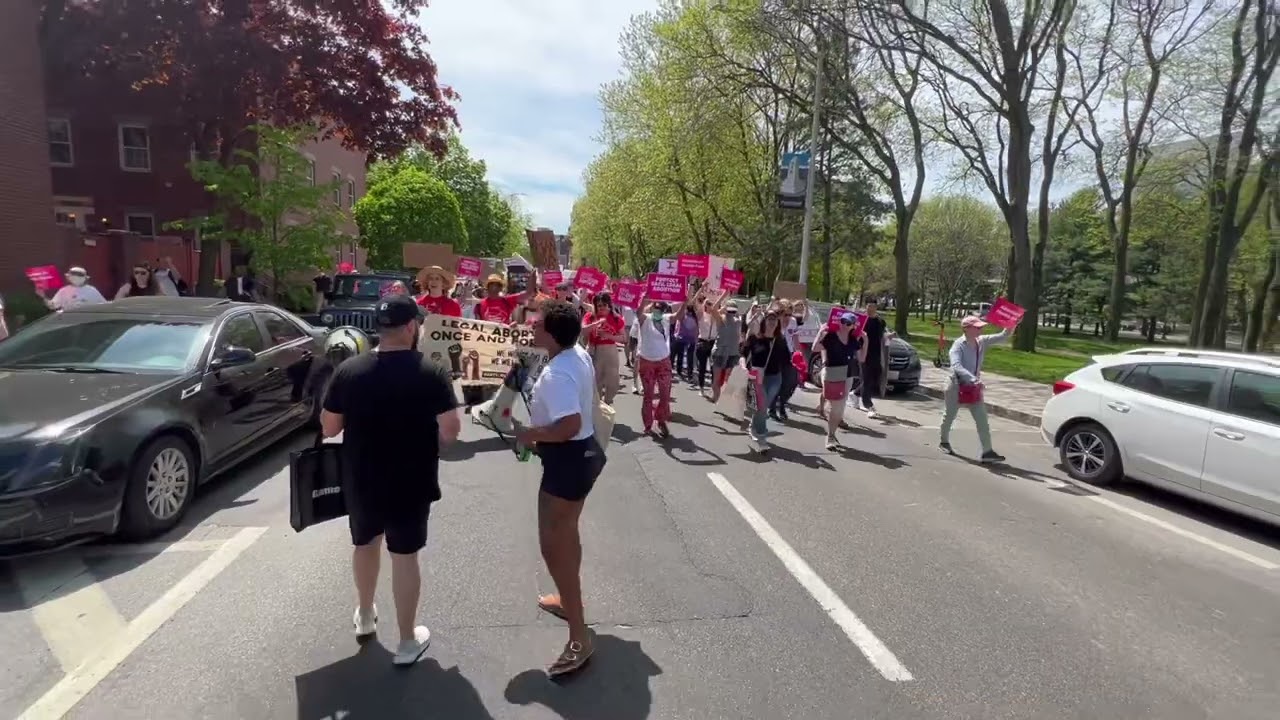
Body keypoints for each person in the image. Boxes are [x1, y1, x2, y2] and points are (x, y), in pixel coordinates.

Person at [319, 293, 462, 666]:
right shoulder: (432, 371)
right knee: (404, 555)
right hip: (411, 479)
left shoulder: (349, 371)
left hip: (362, 477)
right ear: (412, 327)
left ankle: (365, 614)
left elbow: (330, 427)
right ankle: (406, 641)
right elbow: (450, 431)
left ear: (379, 330)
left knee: (365, 544)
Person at [514, 299, 605, 678]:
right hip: (581, 457)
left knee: (553, 546)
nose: (532, 329)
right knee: (567, 536)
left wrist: (527, 433)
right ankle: (570, 603)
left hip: (569, 459)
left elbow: (568, 424)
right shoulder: (575, 353)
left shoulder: (558, 373)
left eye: (537, 325)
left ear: (551, 333)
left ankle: (579, 638)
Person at [940, 314, 1013, 463]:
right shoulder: (958, 346)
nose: (980, 329)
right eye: (977, 327)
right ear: (966, 329)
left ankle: (987, 452)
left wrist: (1013, 323)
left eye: (980, 327)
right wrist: (973, 379)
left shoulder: (981, 341)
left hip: (974, 388)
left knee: (982, 420)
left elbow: (1003, 335)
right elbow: (956, 366)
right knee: (949, 416)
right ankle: (944, 441)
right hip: (956, 386)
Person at [815, 313, 866, 450]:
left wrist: (865, 341)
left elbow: (861, 358)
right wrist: (820, 333)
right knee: (834, 406)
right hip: (831, 373)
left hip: (846, 375)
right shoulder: (831, 336)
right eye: (842, 321)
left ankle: (831, 434)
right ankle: (830, 436)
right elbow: (815, 348)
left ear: (853, 326)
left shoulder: (853, 340)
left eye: (848, 323)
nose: (844, 325)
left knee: (839, 408)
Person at [636, 300, 686, 437]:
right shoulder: (645, 319)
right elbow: (638, 313)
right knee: (648, 395)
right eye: (655, 308)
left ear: (664, 311)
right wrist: (644, 299)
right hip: (647, 362)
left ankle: (661, 419)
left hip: (663, 361)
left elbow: (678, 316)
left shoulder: (665, 319)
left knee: (665, 395)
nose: (657, 312)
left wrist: (685, 301)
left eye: (660, 310)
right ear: (652, 308)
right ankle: (647, 425)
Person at [743, 308, 788, 452]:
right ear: (764, 322)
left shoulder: (780, 340)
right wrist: (744, 366)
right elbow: (742, 354)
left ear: (777, 323)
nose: (772, 321)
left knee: (764, 407)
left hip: (775, 377)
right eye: (769, 319)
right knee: (762, 406)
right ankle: (762, 437)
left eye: (774, 319)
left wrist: (797, 360)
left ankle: (753, 426)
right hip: (757, 376)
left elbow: (787, 360)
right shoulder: (755, 338)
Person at [581, 292, 626, 404]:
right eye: (599, 305)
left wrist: (608, 336)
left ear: (609, 305)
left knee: (613, 382)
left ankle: (608, 401)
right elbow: (583, 330)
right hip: (593, 349)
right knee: (595, 382)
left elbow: (624, 338)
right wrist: (597, 323)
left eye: (604, 305)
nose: (602, 308)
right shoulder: (590, 316)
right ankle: (596, 406)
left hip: (610, 350)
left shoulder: (616, 319)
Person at [858, 298, 890, 419]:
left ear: (876, 307)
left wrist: (889, 337)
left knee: (875, 377)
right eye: (868, 306)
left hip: (877, 354)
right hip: (864, 353)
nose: (870, 308)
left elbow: (882, 336)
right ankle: (868, 405)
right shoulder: (862, 320)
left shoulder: (880, 321)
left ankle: (855, 393)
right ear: (866, 307)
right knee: (866, 379)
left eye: (873, 306)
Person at [770, 299, 801, 421]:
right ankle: (772, 408)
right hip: (775, 354)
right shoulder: (774, 321)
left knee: (791, 382)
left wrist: (799, 355)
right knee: (776, 382)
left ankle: (782, 404)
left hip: (789, 354)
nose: (787, 317)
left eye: (789, 314)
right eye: (785, 314)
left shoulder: (793, 322)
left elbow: (796, 338)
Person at [706, 302, 740, 403]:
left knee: (723, 380)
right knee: (719, 379)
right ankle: (717, 399)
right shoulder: (722, 319)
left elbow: (713, 309)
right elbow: (713, 309)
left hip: (729, 353)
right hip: (723, 352)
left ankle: (719, 399)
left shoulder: (735, 320)